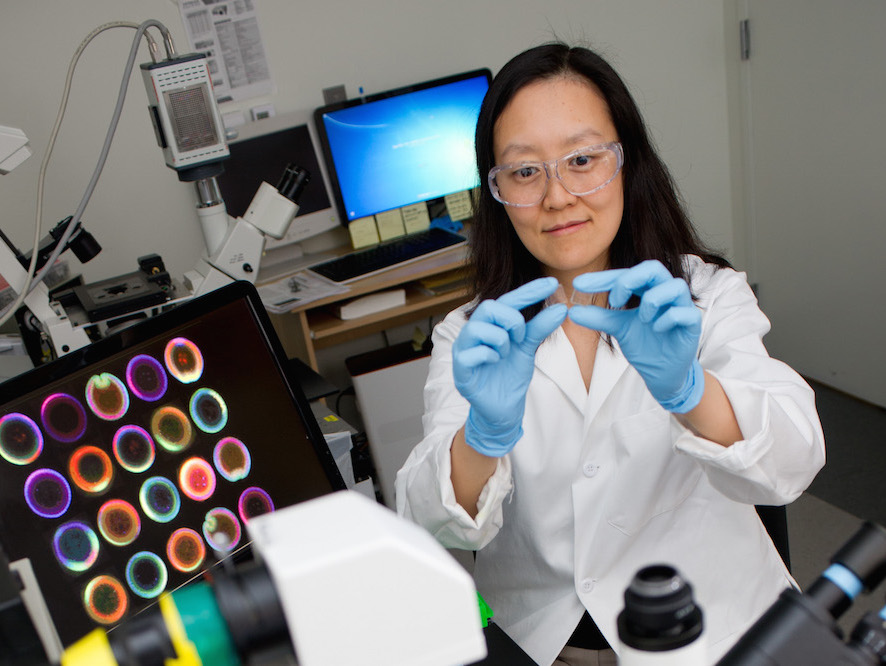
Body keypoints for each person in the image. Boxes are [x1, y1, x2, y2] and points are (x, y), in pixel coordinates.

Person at [395, 42, 824, 666]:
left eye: (582, 159)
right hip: (544, 644)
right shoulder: (472, 335)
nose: (558, 196)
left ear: (627, 162)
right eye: (524, 171)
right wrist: (482, 436)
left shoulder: (703, 297)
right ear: (496, 192)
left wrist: (691, 392)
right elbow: (426, 522)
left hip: (714, 633)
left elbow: (796, 457)